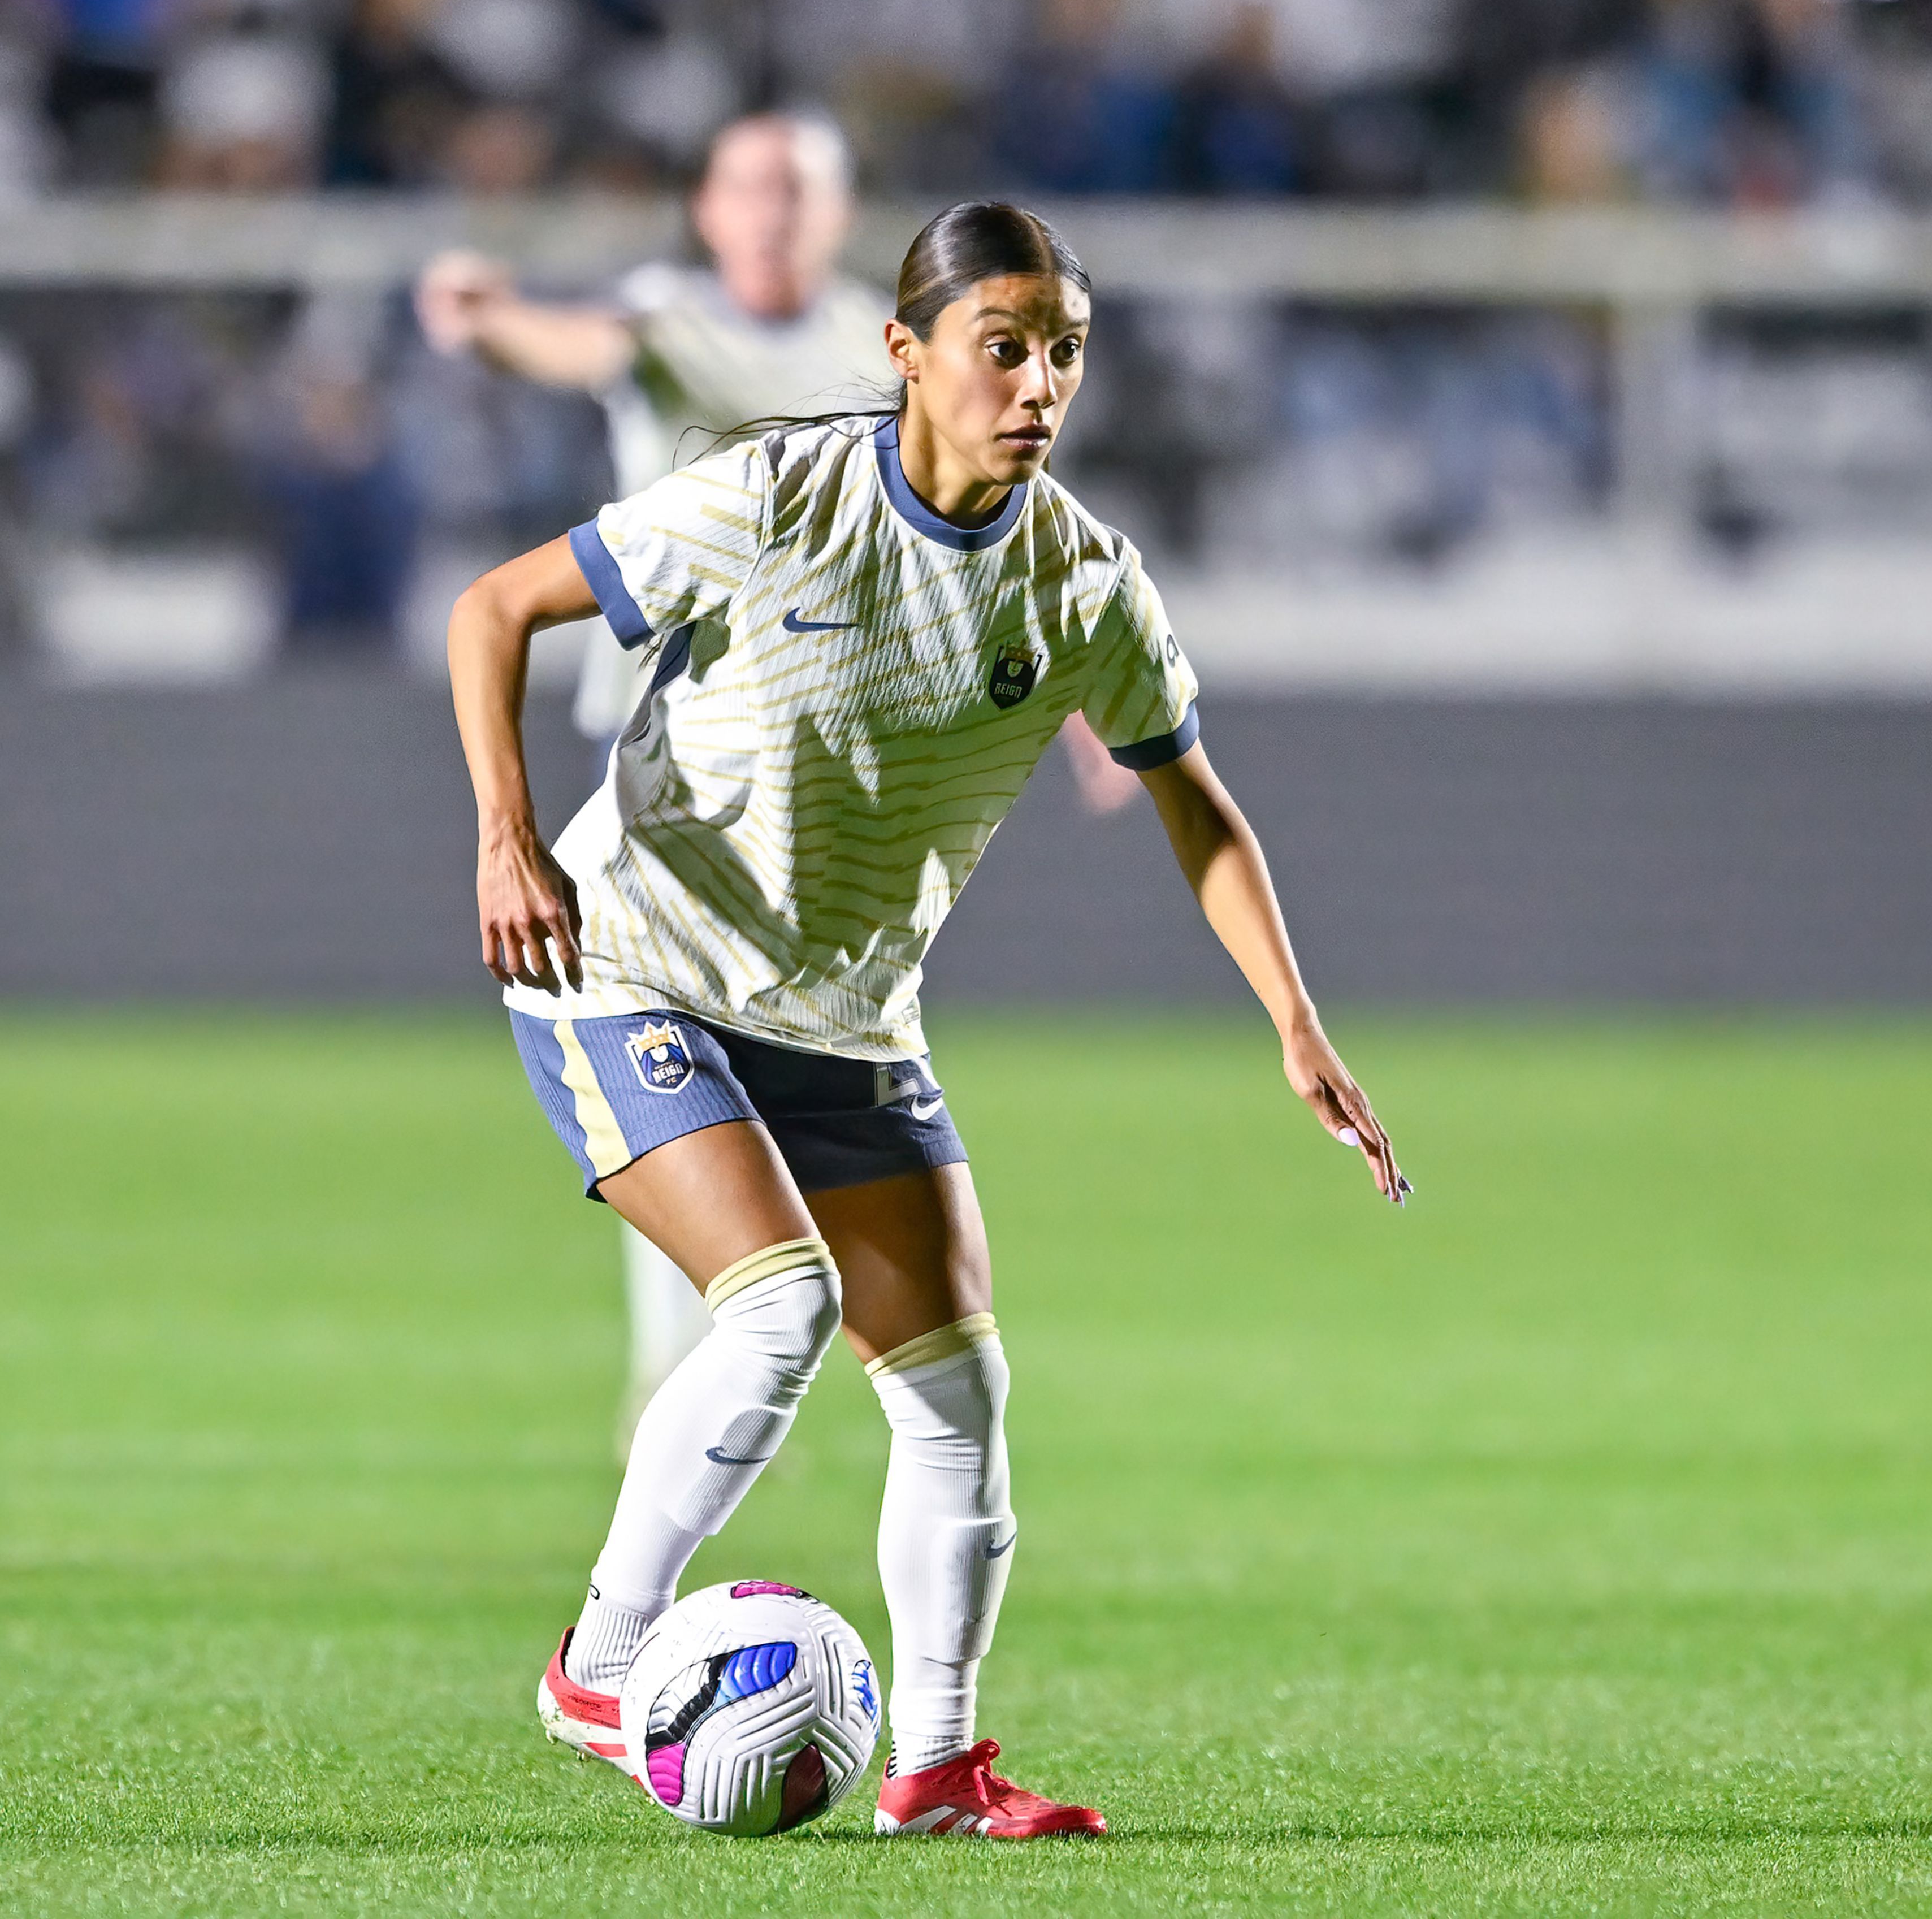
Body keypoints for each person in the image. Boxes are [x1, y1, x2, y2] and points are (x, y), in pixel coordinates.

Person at [446, 201, 1405, 1839]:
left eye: (1064, 356)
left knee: (956, 1392)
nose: (1037, 385)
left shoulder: (1085, 587)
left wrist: (1294, 1024)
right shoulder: (768, 497)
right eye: (1003, 348)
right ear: (905, 352)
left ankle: (939, 1767)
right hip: (632, 961)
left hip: (847, 1015)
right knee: (775, 1310)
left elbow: (1197, 805)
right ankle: (598, 1657)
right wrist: (503, 837)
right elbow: (493, 610)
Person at [418, 111, 890, 1440]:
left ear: (835, 213)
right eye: (748, 184)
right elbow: (583, 346)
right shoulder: (669, 317)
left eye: (796, 188)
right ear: (707, 204)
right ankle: (683, 1355)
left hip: (821, 759)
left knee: (782, 1055)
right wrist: (495, 317)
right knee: (658, 1045)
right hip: (660, 752)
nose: (772, 210)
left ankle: (736, 1333)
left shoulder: (877, 346)